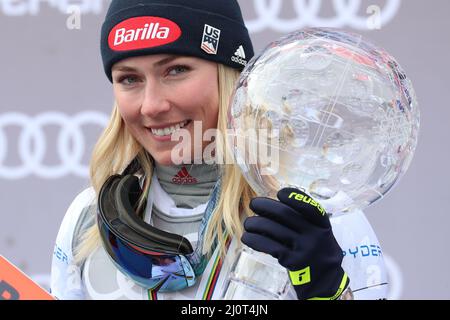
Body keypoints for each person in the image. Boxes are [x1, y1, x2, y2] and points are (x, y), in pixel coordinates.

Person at [50, 0, 388, 300]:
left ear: (233, 75)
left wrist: (327, 293)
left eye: (176, 70)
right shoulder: (88, 220)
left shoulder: (308, 214)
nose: (151, 105)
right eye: (129, 79)